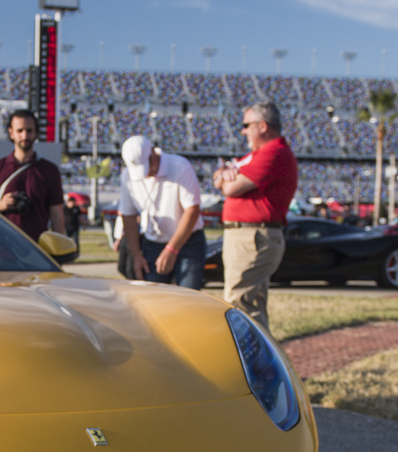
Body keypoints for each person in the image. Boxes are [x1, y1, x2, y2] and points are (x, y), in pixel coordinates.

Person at [214, 102, 298, 331]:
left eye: (246, 125)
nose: (243, 131)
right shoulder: (258, 154)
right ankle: (261, 363)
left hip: (253, 235)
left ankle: (250, 363)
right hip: (248, 235)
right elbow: (220, 175)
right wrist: (223, 173)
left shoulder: (273, 152)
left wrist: (225, 177)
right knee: (251, 306)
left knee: (237, 306)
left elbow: (229, 188)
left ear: (262, 126)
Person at [116, 134, 206, 288]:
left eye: (147, 164)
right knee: (154, 297)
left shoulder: (179, 166)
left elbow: (192, 210)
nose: (146, 172)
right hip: (153, 243)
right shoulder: (127, 176)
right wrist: (137, 255)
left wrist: (172, 248)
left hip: (189, 242)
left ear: (153, 152)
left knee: (188, 296)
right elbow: (128, 216)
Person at [0, 109, 68, 240]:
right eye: (20, 131)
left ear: (35, 132)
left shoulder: (49, 170)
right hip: (0, 248)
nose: (24, 136)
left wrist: (59, 250)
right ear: (11, 133)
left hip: (36, 249)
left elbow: (57, 214)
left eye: (29, 131)